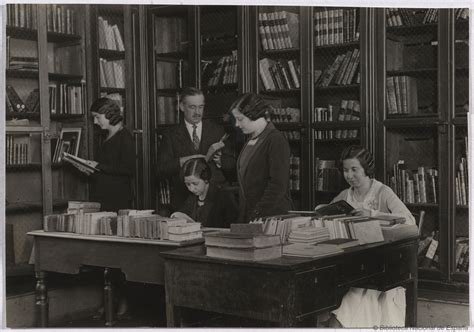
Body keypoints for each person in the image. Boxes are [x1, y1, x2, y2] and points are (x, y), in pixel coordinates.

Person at [319, 145, 416, 328]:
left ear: (366, 169)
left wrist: (372, 214)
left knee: (350, 303)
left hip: (382, 264)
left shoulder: (382, 192)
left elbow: (410, 222)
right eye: (345, 170)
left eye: (354, 169)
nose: (349, 175)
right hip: (351, 261)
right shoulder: (344, 195)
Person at [157, 87, 236, 210]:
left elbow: (232, 163)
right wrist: (182, 161)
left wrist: (220, 160)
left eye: (201, 107)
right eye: (192, 107)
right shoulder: (170, 134)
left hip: (214, 198)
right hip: (184, 198)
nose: (197, 112)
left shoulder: (217, 130)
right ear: (182, 107)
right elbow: (161, 169)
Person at [229, 93, 292, 223]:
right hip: (251, 216)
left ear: (253, 115)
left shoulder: (276, 140)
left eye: (240, 119)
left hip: (270, 218)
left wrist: (257, 214)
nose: (236, 124)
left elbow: (278, 186)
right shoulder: (251, 140)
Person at [88, 97, 135, 212]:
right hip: (103, 195)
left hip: (116, 198)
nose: (95, 121)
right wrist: (89, 169)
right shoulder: (105, 136)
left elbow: (128, 169)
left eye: (97, 117)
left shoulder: (125, 137)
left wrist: (97, 166)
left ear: (109, 114)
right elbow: (107, 166)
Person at [171, 158, 238, 227]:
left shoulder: (223, 198)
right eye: (188, 184)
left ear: (206, 179)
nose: (191, 189)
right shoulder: (192, 197)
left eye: (195, 183)